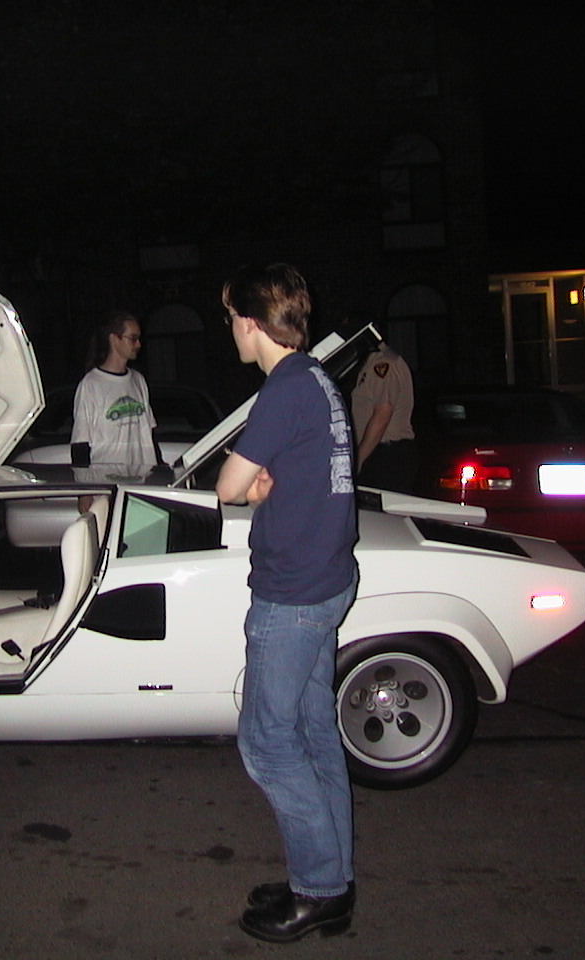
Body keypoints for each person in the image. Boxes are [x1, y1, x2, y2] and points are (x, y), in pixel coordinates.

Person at [214, 263, 359, 943]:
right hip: (325, 579)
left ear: (250, 322)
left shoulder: (281, 390)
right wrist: (258, 485)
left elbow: (227, 485)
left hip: (293, 594)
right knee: (313, 732)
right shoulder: (318, 379)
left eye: (230, 318)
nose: (230, 331)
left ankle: (319, 888)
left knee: (267, 742)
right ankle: (331, 879)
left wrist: (248, 488)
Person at [70, 311, 163, 478]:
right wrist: (84, 487)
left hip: (141, 480)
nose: (138, 344)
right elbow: (80, 443)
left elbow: (149, 430)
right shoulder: (91, 384)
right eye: (133, 338)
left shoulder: (138, 380)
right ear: (114, 339)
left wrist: (159, 468)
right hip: (106, 480)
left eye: (139, 339)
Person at [351, 338, 417, 493]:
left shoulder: (383, 364)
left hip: (386, 456)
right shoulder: (371, 362)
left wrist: (359, 460)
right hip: (379, 454)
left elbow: (382, 416)